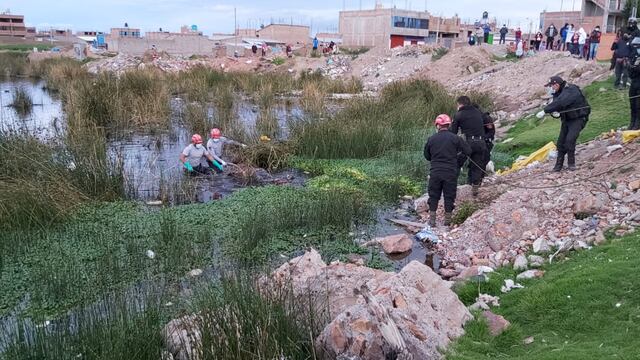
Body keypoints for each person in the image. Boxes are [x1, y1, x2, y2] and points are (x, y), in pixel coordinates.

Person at [424, 114, 471, 227]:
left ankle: (432, 221)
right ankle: (447, 221)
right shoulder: (456, 138)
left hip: (435, 171)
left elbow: (427, 156)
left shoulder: (431, 139)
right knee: (449, 196)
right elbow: (468, 151)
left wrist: (435, 159)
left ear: (437, 125)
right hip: (450, 171)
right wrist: (458, 160)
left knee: (434, 195)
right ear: (449, 125)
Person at [537, 76, 591, 172]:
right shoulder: (557, 93)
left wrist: (545, 111)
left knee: (570, 140)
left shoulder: (571, 89)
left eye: (551, 86)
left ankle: (571, 164)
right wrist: (555, 113)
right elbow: (558, 105)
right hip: (567, 119)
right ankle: (558, 166)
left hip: (578, 118)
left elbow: (561, 102)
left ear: (556, 84)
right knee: (561, 143)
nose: (551, 88)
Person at [451, 96, 487, 196]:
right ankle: (475, 186)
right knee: (477, 165)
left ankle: (451, 186)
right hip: (481, 143)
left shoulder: (459, 114)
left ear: (460, 104)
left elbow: (453, 132)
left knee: (457, 163)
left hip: (468, 143)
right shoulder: (477, 112)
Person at [627, 37, 640, 130]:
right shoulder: (633, 55)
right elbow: (631, 73)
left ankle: (637, 124)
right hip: (634, 83)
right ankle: (632, 122)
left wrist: (635, 68)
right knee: (632, 105)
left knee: (638, 105)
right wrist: (630, 66)